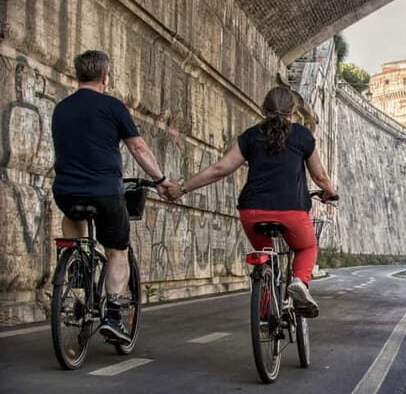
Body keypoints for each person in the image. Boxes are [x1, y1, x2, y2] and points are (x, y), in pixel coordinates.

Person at [166, 83, 337, 317]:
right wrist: (330, 191)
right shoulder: (302, 135)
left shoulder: (251, 135)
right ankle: (299, 282)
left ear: (263, 109)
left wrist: (182, 188)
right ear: (292, 112)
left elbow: (220, 169)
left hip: (252, 212)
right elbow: (320, 177)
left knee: (266, 254)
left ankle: (266, 310)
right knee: (306, 247)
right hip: (292, 211)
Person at [52, 50, 173, 344]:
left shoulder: (61, 108)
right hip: (105, 192)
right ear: (105, 77)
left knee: (72, 214)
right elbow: (138, 148)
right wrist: (161, 181)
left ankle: (78, 265)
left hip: (65, 191)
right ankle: (114, 316)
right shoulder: (113, 107)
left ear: (78, 74)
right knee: (117, 250)